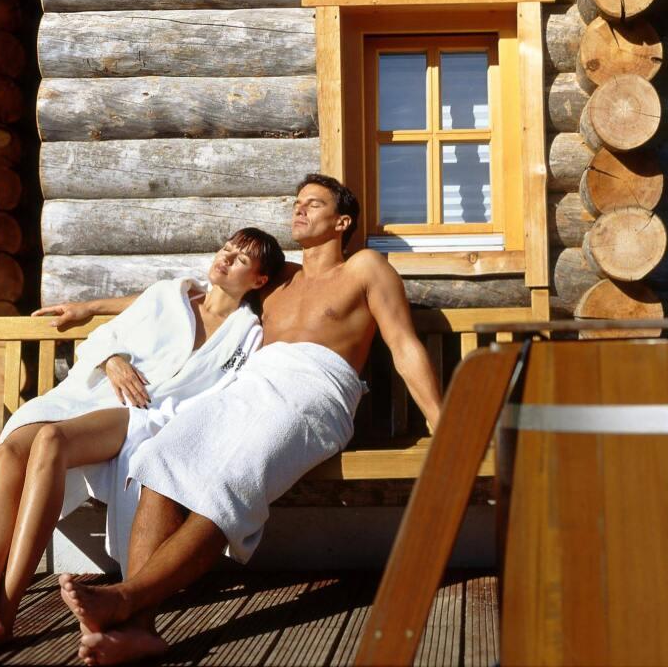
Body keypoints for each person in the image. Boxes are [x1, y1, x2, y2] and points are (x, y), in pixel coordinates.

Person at [53, 173, 443, 665]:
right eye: (297, 202)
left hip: (316, 391)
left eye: (314, 203)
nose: (299, 209)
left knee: (229, 481)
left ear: (342, 222)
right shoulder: (278, 278)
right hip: (251, 386)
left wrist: (442, 423)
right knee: (159, 457)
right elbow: (187, 301)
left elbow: (404, 346)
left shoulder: (365, 267)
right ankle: (139, 629)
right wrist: (90, 307)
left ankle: (126, 600)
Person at [0, 228, 285, 652]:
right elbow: (107, 336)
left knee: (51, 440)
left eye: (240, 259)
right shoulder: (169, 296)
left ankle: (6, 610)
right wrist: (112, 360)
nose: (225, 259)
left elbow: (228, 394)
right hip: (90, 394)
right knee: (9, 451)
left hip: (144, 415)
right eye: (226, 249)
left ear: (259, 280)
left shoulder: (247, 334)